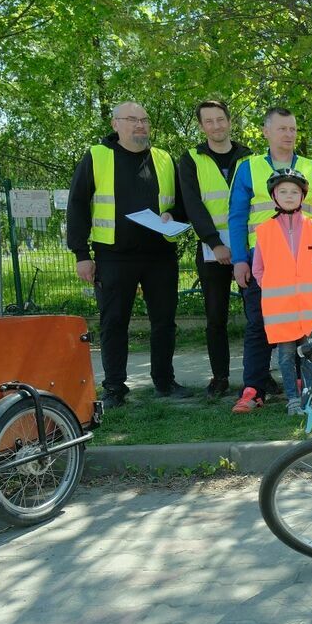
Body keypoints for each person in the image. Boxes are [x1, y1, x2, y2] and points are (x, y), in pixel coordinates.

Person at [67, 100, 188, 410]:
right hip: (113, 257)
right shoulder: (97, 156)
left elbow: (181, 205)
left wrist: (172, 216)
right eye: (132, 119)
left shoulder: (163, 158)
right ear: (115, 124)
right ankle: (114, 388)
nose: (140, 125)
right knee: (113, 323)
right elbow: (78, 204)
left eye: (144, 119)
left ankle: (164, 381)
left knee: (164, 322)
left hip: (160, 255)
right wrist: (81, 253)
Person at [228, 106, 312, 413]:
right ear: (266, 132)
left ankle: (304, 385)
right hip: (263, 262)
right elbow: (236, 216)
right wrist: (240, 260)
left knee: (305, 328)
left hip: (307, 266)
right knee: (258, 327)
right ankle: (254, 389)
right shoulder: (248, 168)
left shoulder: (311, 168)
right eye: (281, 129)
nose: (288, 134)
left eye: (292, 128)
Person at [177, 99, 250, 399]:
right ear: (201, 126)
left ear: (229, 121)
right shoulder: (191, 159)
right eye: (209, 121)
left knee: (256, 316)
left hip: (248, 247)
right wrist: (215, 243)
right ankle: (220, 377)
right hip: (212, 250)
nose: (216, 126)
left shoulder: (249, 156)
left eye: (221, 119)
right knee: (215, 317)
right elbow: (193, 205)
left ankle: (257, 376)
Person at [250, 168, 312, 415]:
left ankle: (310, 395)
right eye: (282, 191)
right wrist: (277, 290)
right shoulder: (264, 230)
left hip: (310, 307)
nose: (288, 195)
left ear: (302, 196)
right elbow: (258, 270)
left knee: (311, 354)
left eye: (294, 191)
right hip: (281, 309)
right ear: (274, 196)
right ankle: (292, 399)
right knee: (285, 357)